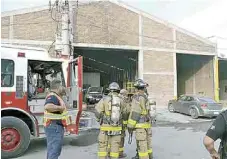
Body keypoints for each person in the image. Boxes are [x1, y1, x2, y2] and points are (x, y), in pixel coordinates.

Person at [95, 82, 127, 159]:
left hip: (105, 127)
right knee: (115, 148)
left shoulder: (104, 99)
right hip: (117, 128)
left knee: (102, 147)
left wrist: (99, 119)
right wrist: (124, 125)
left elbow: (97, 112)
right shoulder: (121, 100)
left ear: (109, 90)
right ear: (118, 90)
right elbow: (125, 113)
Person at [44, 79, 71, 159]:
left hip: (54, 126)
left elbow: (67, 105)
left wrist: (64, 93)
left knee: (53, 150)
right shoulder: (53, 96)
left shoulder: (57, 96)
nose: (63, 88)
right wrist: (61, 108)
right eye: (62, 86)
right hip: (54, 127)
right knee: (54, 151)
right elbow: (48, 106)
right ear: (58, 87)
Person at [127, 79, 152, 159]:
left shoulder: (137, 97)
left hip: (140, 126)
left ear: (137, 88)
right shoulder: (145, 96)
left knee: (142, 144)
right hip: (147, 125)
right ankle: (149, 156)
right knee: (147, 143)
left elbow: (135, 113)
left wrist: (130, 126)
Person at [118, 89, 131, 158]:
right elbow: (126, 112)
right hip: (121, 124)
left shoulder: (114, 99)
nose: (127, 96)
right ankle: (120, 153)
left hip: (112, 123)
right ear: (124, 94)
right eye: (126, 95)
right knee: (121, 138)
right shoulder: (123, 101)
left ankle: (109, 152)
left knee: (112, 138)